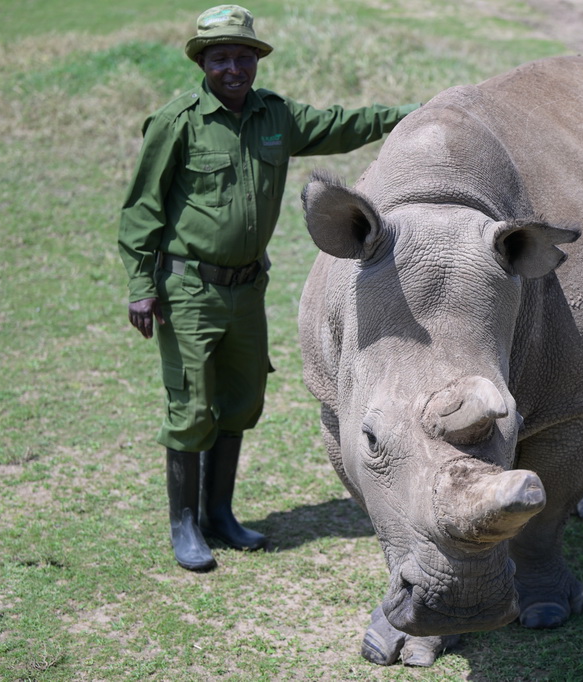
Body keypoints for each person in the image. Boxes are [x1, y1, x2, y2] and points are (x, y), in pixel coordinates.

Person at [118, 4, 419, 571]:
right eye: (220, 58)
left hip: (247, 290)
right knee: (192, 406)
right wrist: (141, 285)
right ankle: (185, 525)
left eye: (243, 57)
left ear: (256, 60)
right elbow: (141, 210)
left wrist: (413, 115)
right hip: (189, 289)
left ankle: (219, 515)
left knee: (241, 401)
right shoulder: (177, 122)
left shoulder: (275, 116)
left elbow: (342, 125)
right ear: (202, 63)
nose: (233, 68)